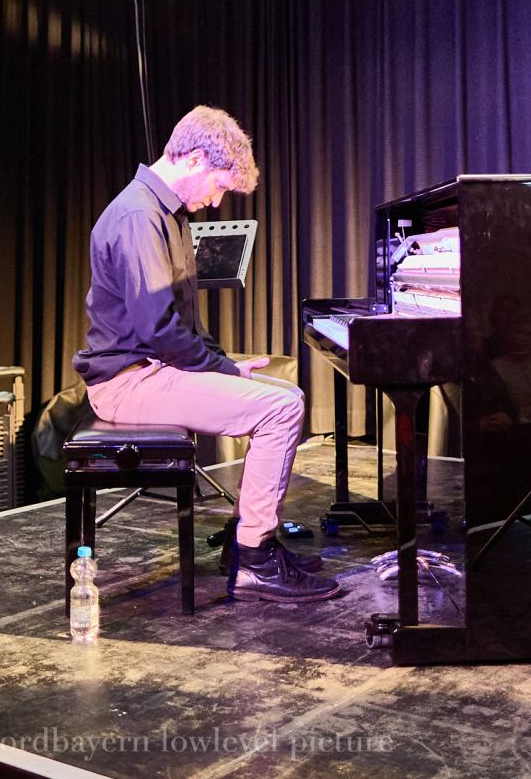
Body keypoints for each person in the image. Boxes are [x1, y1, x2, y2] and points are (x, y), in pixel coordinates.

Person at [72, 105, 340, 604]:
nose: (216, 201)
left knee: (288, 394)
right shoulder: (139, 216)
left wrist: (227, 365)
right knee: (281, 410)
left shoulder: (164, 213)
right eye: (219, 186)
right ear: (194, 159)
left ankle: (244, 542)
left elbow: (185, 322)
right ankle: (255, 560)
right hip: (128, 381)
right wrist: (221, 367)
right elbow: (160, 330)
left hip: (154, 368)